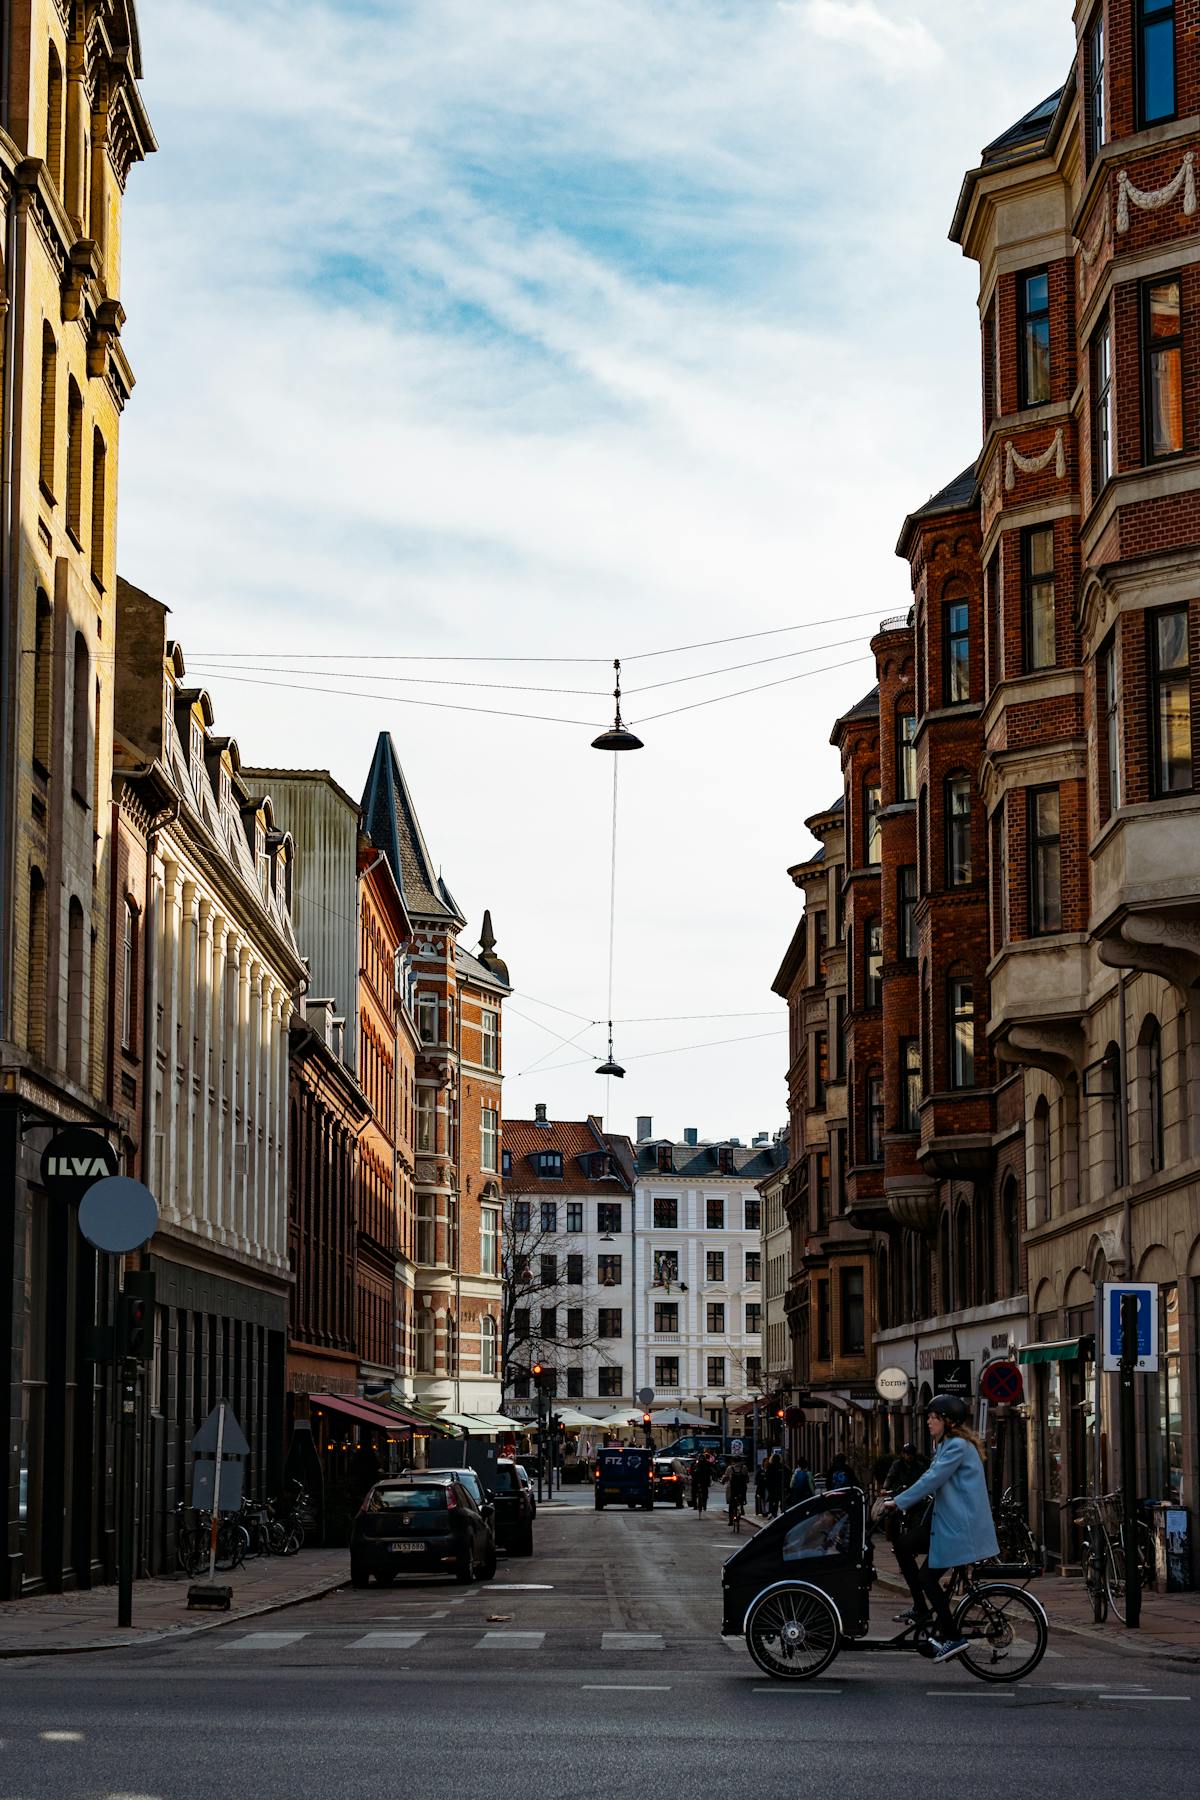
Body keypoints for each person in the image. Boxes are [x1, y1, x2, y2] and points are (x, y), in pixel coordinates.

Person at [885, 1394, 1000, 1664]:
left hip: (960, 1528)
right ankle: (920, 1608)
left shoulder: (958, 1446)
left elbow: (933, 1479)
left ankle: (953, 1637)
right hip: (945, 1523)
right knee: (901, 1545)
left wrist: (898, 1502)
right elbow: (931, 1479)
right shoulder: (946, 1445)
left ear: (947, 1421)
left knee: (927, 1578)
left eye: (933, 1417)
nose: (928, 1422)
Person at [724, 1457, 749, 1526]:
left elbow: (725, 1477)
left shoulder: (729, 1468)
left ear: (733, 1461)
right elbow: (747, 1478)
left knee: (731, 1504)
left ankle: (731, 1521)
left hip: (732, 1488)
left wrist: (723, 1480)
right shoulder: (744, 1468)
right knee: (743, 1494)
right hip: (741, 1488)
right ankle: (742, 1505)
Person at [764, 1452, 787, 1518]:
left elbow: (767, 1477)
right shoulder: (782, 1466)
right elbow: (787, 1474)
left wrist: (768, 1487)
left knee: (774, 1501)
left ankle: (774, 1514)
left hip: (772, 1488)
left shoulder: (770, 1467)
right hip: (780, 1487)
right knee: (782, 1500)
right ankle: (783, 1513)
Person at [691, 1452, 712, 1516]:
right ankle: (704, 1505)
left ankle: (695, 1505)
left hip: (696, 1481)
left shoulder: (695, 1464)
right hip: (704, 1481)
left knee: (694, 1492)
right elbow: (711, 1472)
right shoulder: (708, 1463)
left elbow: (691, 1472)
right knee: (705, 1492)